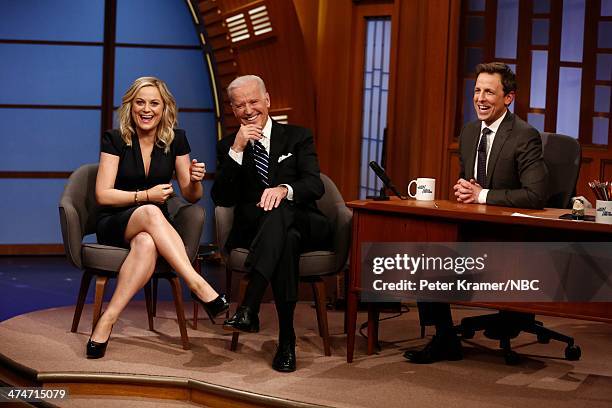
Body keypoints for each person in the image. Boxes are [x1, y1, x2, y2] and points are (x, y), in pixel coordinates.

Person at [404, 62, 548, 364]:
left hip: (510, 240)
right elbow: (469, 183)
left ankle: (512, 315)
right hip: (470, 229)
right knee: (423, 252)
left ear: (508, 98)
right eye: (477, 91)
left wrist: (481, 194)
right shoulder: (469, 133)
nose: (480, 99)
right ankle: (445, 339)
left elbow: (535, 196)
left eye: (489, 92)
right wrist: (464, 192)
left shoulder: (524, 136)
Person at [87, 76, 229, 359]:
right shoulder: (114, 139)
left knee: (147, 243)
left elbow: (191, 195)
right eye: (140, 102)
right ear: (130, 106)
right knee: (151, 212)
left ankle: (107, 320)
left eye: (154, 103)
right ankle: (197, 284)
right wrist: (145, 196)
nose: (146, 109)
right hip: (116, 220)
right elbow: (103, 194)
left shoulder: (177, 139)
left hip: (153, 227)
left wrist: (197, 179)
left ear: (165, 108)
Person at [211, 75, 332, 372]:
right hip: (258, 230)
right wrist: (237, 151)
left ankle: (249, 306)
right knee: (285, 238)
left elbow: (314, 185)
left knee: (283, 209)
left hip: (307, 222)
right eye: (239, 105)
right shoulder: (229, 145)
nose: (248, 110)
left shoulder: (298, 136)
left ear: (267, 100)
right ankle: (286, 339)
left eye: (253, 101)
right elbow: (222, 198)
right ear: (232, 109)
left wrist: (284, 190)